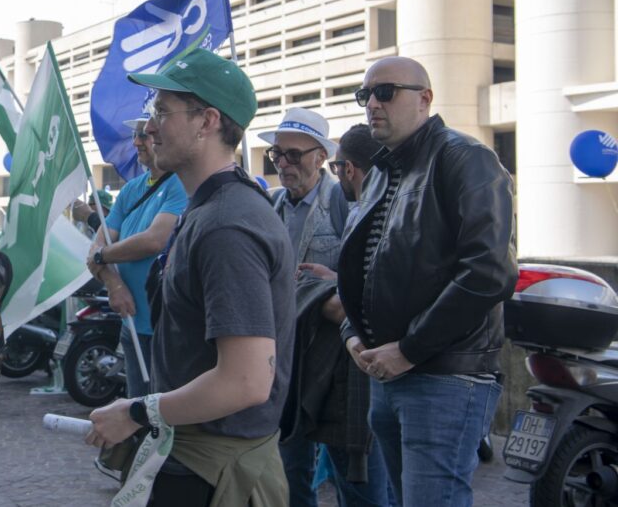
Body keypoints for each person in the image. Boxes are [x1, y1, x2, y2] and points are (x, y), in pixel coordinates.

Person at [87, 48, 294, 505]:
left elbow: (246, 380)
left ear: (207, 121)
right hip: (196, 459)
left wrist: (138, 411)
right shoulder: (208, 211)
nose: (150, 127)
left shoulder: (227, 224)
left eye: (162, 110)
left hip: (215, 474)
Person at [337, 57, 516, 506]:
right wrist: (353, 335)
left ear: (425, 98)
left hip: (445, 378)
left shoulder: (465, 157)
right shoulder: (379, 173)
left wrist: (410, 349)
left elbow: (489, 273)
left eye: (385, 92)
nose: (372, 104)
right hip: (388, 376)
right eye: (366, 95)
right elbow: (365, 269)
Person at [260, 110, 389, 507]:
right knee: (289, 468)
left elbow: (377, 277)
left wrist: (332, 281)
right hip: (289, 358)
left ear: (320, 157)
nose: (283, 163)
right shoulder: (272, 204)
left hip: (337, 362)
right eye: (276, 155)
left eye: (294, 155)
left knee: (352, 468)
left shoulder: (344, 201)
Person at [86, 116, 186, 399]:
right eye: (136, 135)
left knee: (164, 414)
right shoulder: (131, 189)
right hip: (131, 321)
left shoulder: (180, 183)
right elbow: (95, 249)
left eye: (145, 134)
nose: (137, 142)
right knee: (138, 408)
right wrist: (114, 285)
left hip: (166, 326)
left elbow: (155, 240)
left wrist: (102, 256)